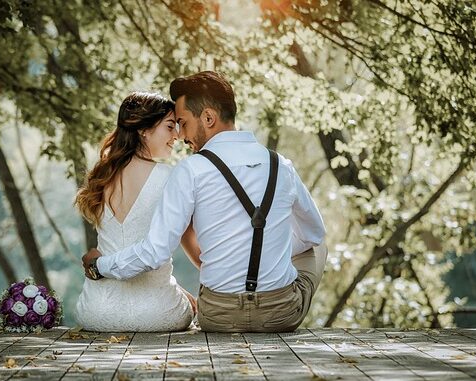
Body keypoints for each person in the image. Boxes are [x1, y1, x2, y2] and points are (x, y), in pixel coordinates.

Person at [82, 71, 327, 332]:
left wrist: (100, 265)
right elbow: (313, 233)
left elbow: (155, 251)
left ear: (208, 118)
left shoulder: (190, 170)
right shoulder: (282, 166)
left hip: (218, 316)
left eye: (183, 123)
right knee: (317, 245)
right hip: (281, 314)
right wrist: (270, 252)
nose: (181, 135)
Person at [74, 91, 197, 332]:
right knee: (190, 307)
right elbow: (156, 253)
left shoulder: (101, 177)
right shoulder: (171, 177)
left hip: (96, 312)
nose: (177, 135)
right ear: (143, 129)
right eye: (170, 126)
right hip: (158, 314)